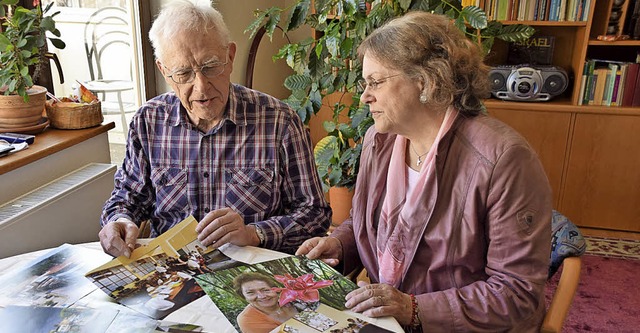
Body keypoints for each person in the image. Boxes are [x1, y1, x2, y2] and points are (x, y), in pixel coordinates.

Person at [296, 11, 552, 332]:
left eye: (376, 82)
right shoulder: (380, 138)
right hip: (389, 319)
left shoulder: (504, 158)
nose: (365, 96)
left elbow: (517, 291)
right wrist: (339, 245)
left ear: (426, 80)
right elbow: (365, 222)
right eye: (365, 83)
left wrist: (412, 308)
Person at [98, 0, 331, 258]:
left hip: (251, 276)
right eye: (183, 73)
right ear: (164, 71)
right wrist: (117, 220)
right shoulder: (148, 122)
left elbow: (314, 215)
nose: (201, 87)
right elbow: (127, 197)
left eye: (210, 67)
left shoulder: (279, 122)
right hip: (172, 274)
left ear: (230, 57)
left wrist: (255, 233)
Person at [232, 272, 298, 333]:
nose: (262, 296)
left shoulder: (291, 299)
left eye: (266, 290)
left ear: (275, 290)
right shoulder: (247, 319)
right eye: (250, 293)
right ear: (244, 297)